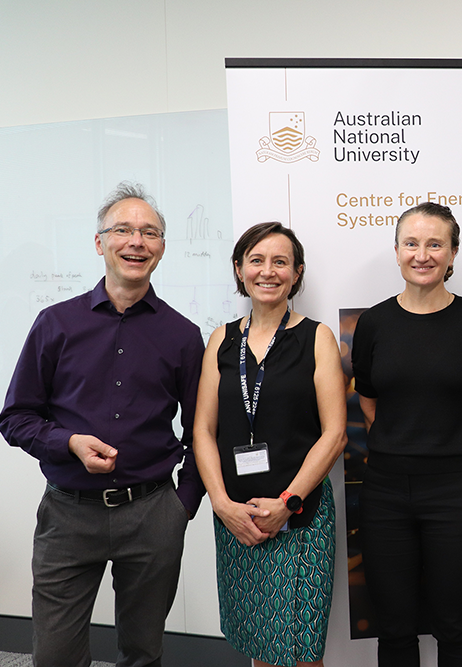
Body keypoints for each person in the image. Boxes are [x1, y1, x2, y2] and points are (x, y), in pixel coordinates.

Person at [0, 182, 205, 667]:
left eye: (149, 232)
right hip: (68, 514)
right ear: (99, 243)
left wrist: (182, 506)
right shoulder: (55, 324)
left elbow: (200, 431)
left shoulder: (183, 335)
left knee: (142, 653)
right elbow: (15, 417)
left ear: (161, 248)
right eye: (123, 230)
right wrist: (67, 441)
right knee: (55, 657)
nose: (137, 241)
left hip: (152, 512)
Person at [351, 202, 462, 667]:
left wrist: (458, 457)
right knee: (394, 626)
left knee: (455, 624)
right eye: (412, 243)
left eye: (435, 244)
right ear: (397, 252)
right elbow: (369, 398)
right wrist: (402, 446)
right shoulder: (374, 323)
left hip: (458, 491)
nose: (423, 254)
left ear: (452, 253)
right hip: (385, 491)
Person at [192, 222, 346, 667]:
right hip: (237, 518)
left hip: (300, 518)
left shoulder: (316, 337)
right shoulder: (221, 339)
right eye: (256, 260)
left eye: (281, 262)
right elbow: (203, 430)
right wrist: (221, 504)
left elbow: (334, 434)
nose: (268, 271)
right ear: (239, 269)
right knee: (259, 644)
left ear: (297, 273)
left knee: (301, 653)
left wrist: (288, 501)